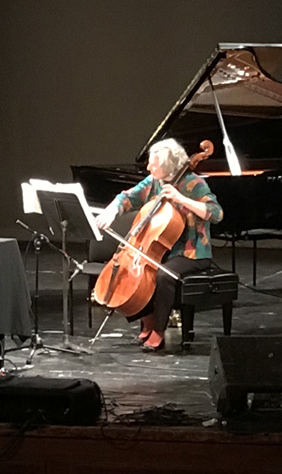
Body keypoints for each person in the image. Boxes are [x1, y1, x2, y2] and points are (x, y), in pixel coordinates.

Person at [92, 137, 223, 353]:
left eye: (154, 163)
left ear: (169, 166)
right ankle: (148, 320)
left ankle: (159, 331)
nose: (148, 167)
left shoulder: (194, 184)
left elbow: (216, 213)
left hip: (191, 252)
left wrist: (181, 199)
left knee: (164, 275)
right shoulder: (154, 181)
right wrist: (112, 210)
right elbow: (127, 197)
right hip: (160, 248)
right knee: (135, 274)